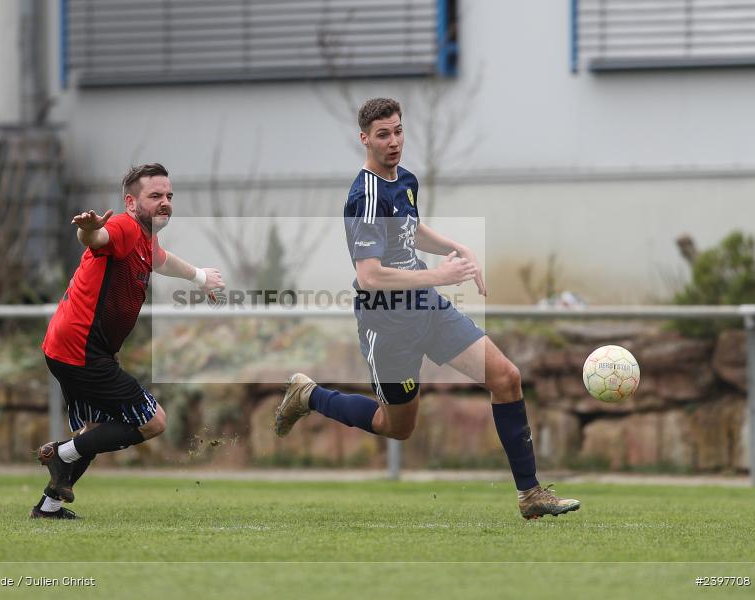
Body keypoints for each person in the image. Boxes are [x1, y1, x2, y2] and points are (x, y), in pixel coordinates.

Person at [275, 99, 579, 519]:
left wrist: (455, 247)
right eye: (383, 134)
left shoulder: (406, 181)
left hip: (427, 309)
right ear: (364, 138)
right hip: (388, 324)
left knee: (506, 377)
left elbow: (410, 229)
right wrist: (441, 275)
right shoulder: (363, 197)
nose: (394, 141)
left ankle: (530, 495)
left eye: (398, 131)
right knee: (395, 427)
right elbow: (370, 276)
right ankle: (309, 395)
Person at [30, 163, 224, 519]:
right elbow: (96, 239)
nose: (165, 202)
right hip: (81, 350)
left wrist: (199, 277)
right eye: (155, 196)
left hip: (70, 347)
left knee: (92, 431)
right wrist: (88, 231)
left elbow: (161, 260)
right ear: (131, 203)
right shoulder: (122, 226)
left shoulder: (146, 238)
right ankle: (61, 455)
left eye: (168, 196)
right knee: (154, 421)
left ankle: (49, 507)